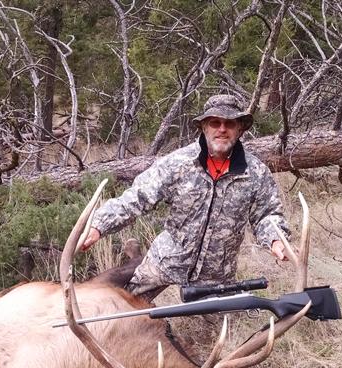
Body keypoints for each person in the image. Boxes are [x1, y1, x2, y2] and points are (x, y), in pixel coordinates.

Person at [81, 94, 291, 301]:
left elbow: (267, 214)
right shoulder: (177, 163)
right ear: (204, 127)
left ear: (240, 129)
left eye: (229, 123)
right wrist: (98, 225)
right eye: (215, 123)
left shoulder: (255, 173)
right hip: (166, 262)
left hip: (216, 277)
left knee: (218, 324)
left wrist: (276, 240)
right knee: (125, 312)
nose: (222, 129)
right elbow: (137, 197)